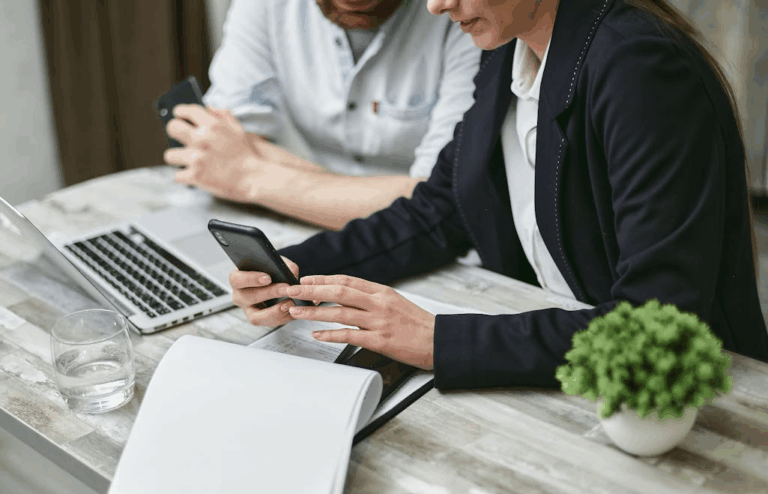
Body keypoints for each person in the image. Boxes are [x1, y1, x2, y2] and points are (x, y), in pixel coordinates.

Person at [228, 0, 768, 389]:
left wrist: (439, 340)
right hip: (569, 368)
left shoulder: (640, 67)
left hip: (692, 402)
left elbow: (657, 322)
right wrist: (297, 269)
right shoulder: (507, 53)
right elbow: (441, 210)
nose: (437, 6)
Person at [162, 0, 481, 230]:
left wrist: (248, 175)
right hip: (301, 225)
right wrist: (339, 198)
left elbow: (437, 203)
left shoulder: (463, 13)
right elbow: (221, 147)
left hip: (437, 251)